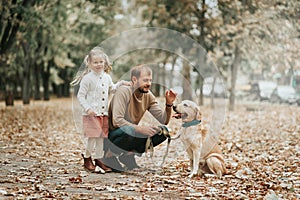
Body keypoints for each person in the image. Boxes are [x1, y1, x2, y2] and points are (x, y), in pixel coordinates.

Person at [103, 64, 177, 171]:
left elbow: (163, 120)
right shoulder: (123, 91)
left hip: (130, 133)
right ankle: (109, 156)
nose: (149, 84)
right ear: (134, 79)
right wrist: (140, 128)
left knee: (163, 131)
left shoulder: (148, 95)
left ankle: (128, 155)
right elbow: (116, 121)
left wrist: (169, 104)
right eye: (145, 80)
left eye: (150, 80)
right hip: (114, 135)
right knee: (129, 130)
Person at [71, 47, 130, 173]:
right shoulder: (87, 78)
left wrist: (120, 84)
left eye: (101, 62)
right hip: (91, 114)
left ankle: (99, 159)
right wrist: (88, 109)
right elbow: (80, 96)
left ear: (105, 62)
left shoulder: (106, 77)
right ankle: (87, 158)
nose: (98, 65)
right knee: (92, 138)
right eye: (95, 62)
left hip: (103, 114)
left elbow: (112, 89)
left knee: (101, 138)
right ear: (90, 63)